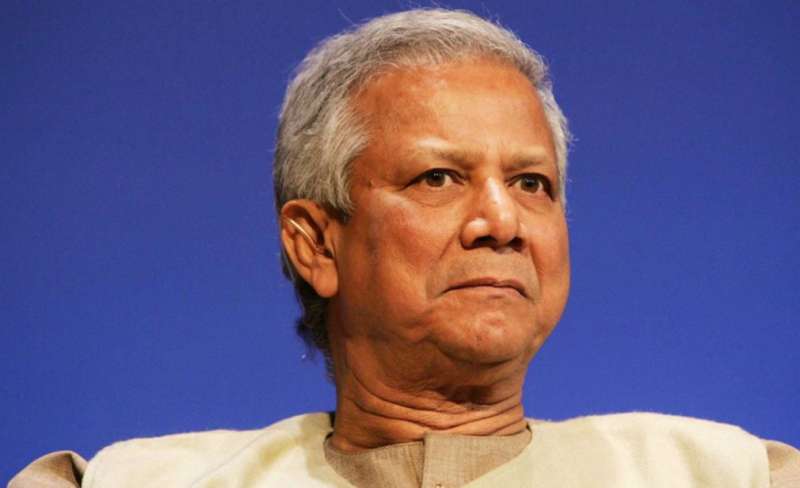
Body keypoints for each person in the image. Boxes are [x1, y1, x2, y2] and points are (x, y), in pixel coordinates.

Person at [10, 8, 799, 488]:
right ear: (316, 245)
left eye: (532, 183)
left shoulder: (725, 475)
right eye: (438, 178)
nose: (502, 221)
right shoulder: (132, 483)